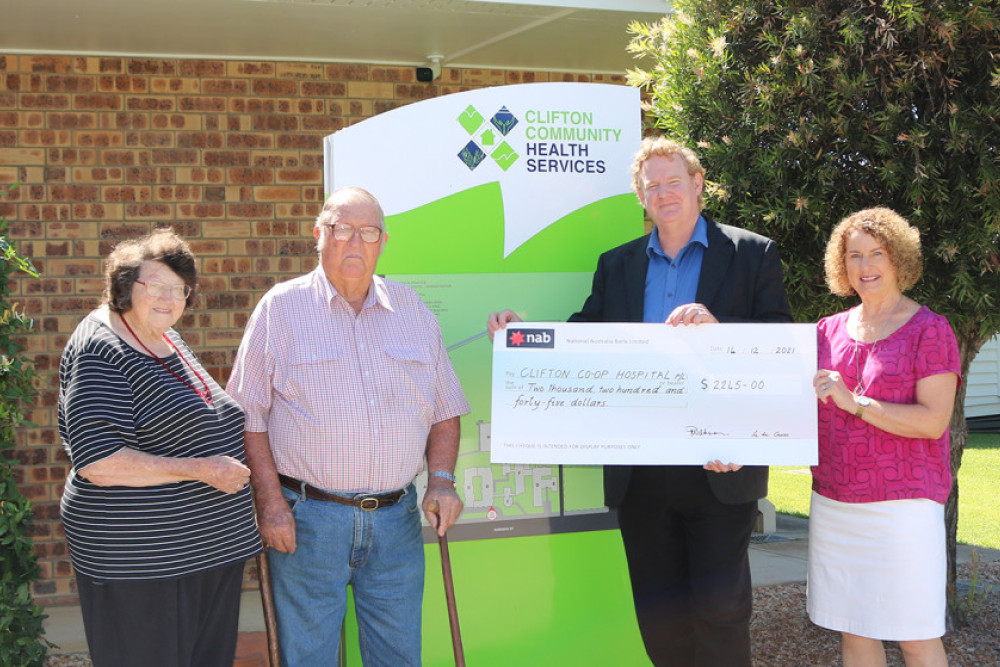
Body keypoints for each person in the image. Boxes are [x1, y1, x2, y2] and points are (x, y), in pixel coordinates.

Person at [488, 137, 792, 666]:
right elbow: (586, 337)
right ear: (641, 197)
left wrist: (719, 327)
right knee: (658, 613)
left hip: (719, 462)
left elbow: (779, 340)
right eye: (652, 186)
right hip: (642, 469)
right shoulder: (618, 265)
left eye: (674, 181)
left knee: (721, 608)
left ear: (697, 184)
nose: (664, 192)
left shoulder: (751, 253)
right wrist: (524, 338)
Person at [226, 186, 470, 666]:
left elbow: (445, 409)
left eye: (369, 232)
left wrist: (441, 481)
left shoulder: (412, 310)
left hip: (397, 522)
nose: (355, 242)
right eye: (342, 230)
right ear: (319, 235)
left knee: (398, 657)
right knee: (309, 657)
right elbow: (247, 415)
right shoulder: (281, 308)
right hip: (309, 520)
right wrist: (271, 504)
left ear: (383, 241)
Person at [58, 228, 261, 667]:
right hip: (143, 559)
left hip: (202, 550)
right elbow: (99, 461)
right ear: (127, 286)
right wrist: (203, 469)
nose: (170, 299)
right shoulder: (102, 346)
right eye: (157, 286)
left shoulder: (162, 334)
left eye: (180, 290)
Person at [810, 207, 959, 667]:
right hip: (835, 501)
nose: (865, 265)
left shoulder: (929, 329)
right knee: (855, 631)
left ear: (899, 260)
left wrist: (855, 402)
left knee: (915, 635)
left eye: (877, 253)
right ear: (842, 265)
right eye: (854, 255)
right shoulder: (826, 331)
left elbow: (933, 422)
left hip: (904, 509)